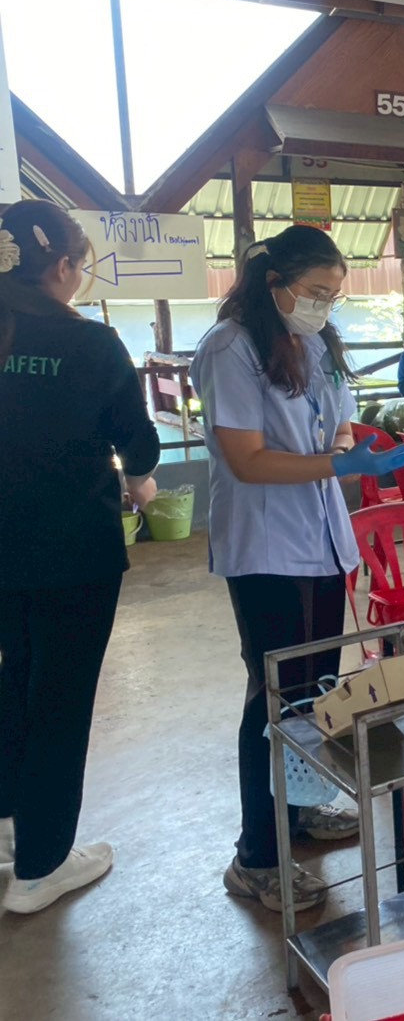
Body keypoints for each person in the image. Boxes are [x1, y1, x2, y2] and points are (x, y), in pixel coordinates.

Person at [191, 225, 404, 912]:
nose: (324, 305)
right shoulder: (230, 348)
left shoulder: (316, 343)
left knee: (315, 686)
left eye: (333, 295)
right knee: (272, 694)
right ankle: (257, 857)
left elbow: (338, 423)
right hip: (266, 546)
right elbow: (247, 458)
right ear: (275, 283)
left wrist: (353, 446)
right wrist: (336, 463)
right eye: (316, 291)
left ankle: (296, 810)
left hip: (322, 538)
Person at [0, 201, 159, 914]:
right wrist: (139, 479)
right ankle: (40, 867)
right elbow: (139, 443)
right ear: (61, 266)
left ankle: (7, 829)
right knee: (59, 699)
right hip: (72, 553)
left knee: (13, 680)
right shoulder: (90, 343)